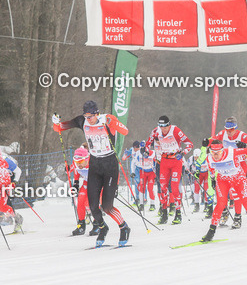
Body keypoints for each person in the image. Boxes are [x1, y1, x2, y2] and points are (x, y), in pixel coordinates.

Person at [52, 101, 131, 247]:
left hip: (109, 164)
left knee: (107, 206)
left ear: (97, 113)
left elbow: (125, 131)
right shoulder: (82, 121)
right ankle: (102, 227)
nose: (89, 119)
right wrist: (56, 122)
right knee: (93, 205)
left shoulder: (107, 119)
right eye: (86, 116)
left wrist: (113, 122)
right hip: (95, 163)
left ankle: (124, 227)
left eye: (91, 116)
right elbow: (60, 128)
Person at [200, 138, 247, 244]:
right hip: (223, 180)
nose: (216, 155)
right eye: (213, 152)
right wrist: (213, 179)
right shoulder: (209, 158)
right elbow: (212, 169)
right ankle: (211, 232)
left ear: (223, 150)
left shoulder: (231, 152)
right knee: (220, 204)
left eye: (218, 152)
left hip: (238, 179)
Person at [146, 115, 193, 225]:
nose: (163, 129)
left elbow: (189, 144)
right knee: (163, 188)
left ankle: (178, 213)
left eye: (165, 127)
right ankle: (164, 213)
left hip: (175, 161)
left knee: (175, 188)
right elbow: (148, 144)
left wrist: (183, 153)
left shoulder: (175, 130)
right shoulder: (156, 131)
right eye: (161, 127)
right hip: (164, 161)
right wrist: (146, 151)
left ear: (169, 125)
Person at [211, 116, 247, 228]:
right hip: (226, 165)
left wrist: (245, 145)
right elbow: (213, 141)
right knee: (222, 191)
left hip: (241, 164)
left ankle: (237, 217)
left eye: (231, 130)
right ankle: (224, 212)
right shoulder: (222, 134)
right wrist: (207, 141)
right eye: (227, 129)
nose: (229, 132)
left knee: (236, 192)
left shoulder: (243, 136)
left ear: (236, 128)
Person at [68, 147, 92, 236]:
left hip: (98, 182)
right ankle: (81, 225)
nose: (79, 164)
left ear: (86, 159)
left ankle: (98, 225)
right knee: (80, 201)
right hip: (86, 182)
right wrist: (76, 184)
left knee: (93, 202)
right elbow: (76, 172)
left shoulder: (93, 161)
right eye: (77, 162)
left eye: (81, 162)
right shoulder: (76, 163)